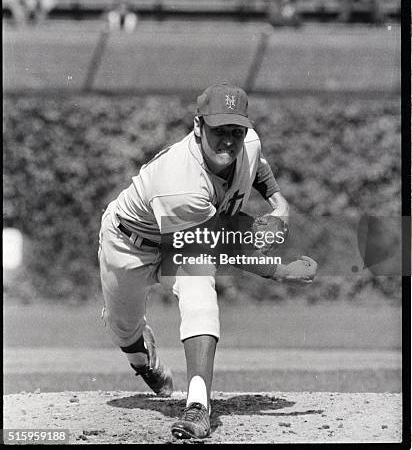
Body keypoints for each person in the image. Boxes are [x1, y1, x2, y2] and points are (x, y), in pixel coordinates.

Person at [98, 83, 317, 440]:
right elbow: (219, 238)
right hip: (128, 243)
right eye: (219, 131)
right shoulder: (180, 182)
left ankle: (198, 405)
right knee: (124, 327)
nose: (228, 141)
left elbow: (256, 164)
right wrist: (280, 270)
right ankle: (143, 361)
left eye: (235, 130)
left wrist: (279, 202)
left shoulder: (248, 141)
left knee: (200, 285)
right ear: (198, 127)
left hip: (183, 241)